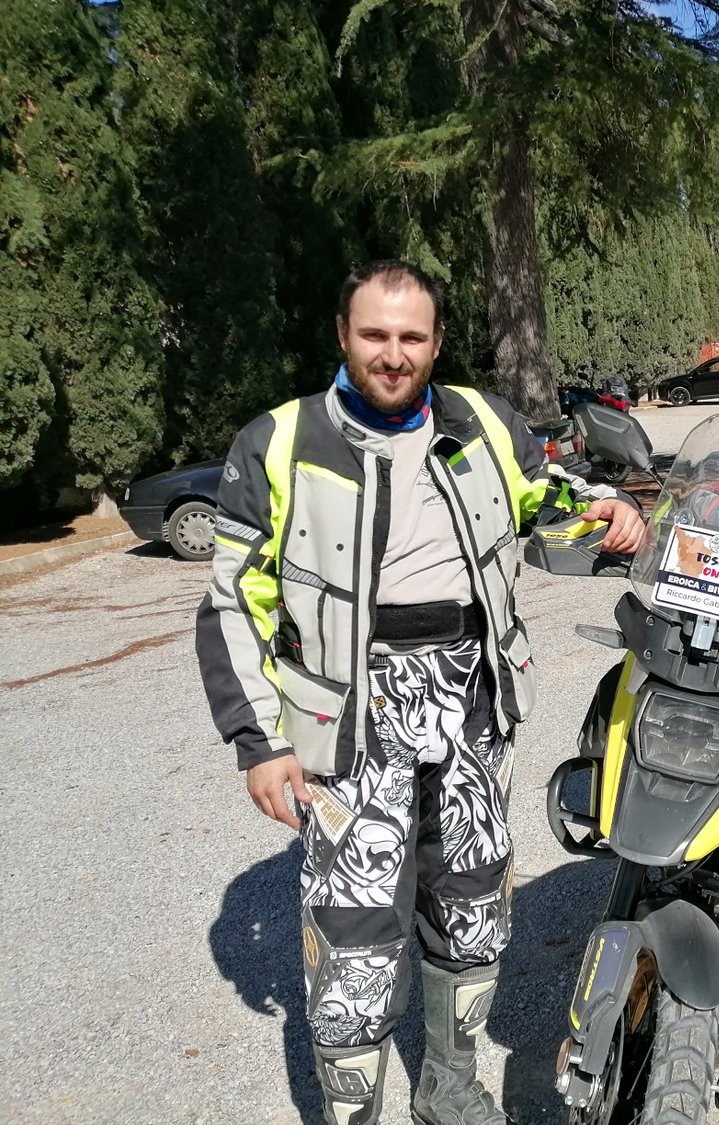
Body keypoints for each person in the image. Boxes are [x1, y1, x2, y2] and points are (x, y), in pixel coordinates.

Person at [196, 260, 644, 1124]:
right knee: (355, 931)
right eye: (374, 334)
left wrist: (603, 504)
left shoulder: (480, 420)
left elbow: (540, 494)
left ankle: (449, 1084)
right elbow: (231, 602)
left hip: (471, 694)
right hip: (347, 710)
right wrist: (261, 741)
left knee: (474, 897)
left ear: (437, 343)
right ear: (343, 335)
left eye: (412, 336)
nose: (393, 354)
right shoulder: (282, 441)